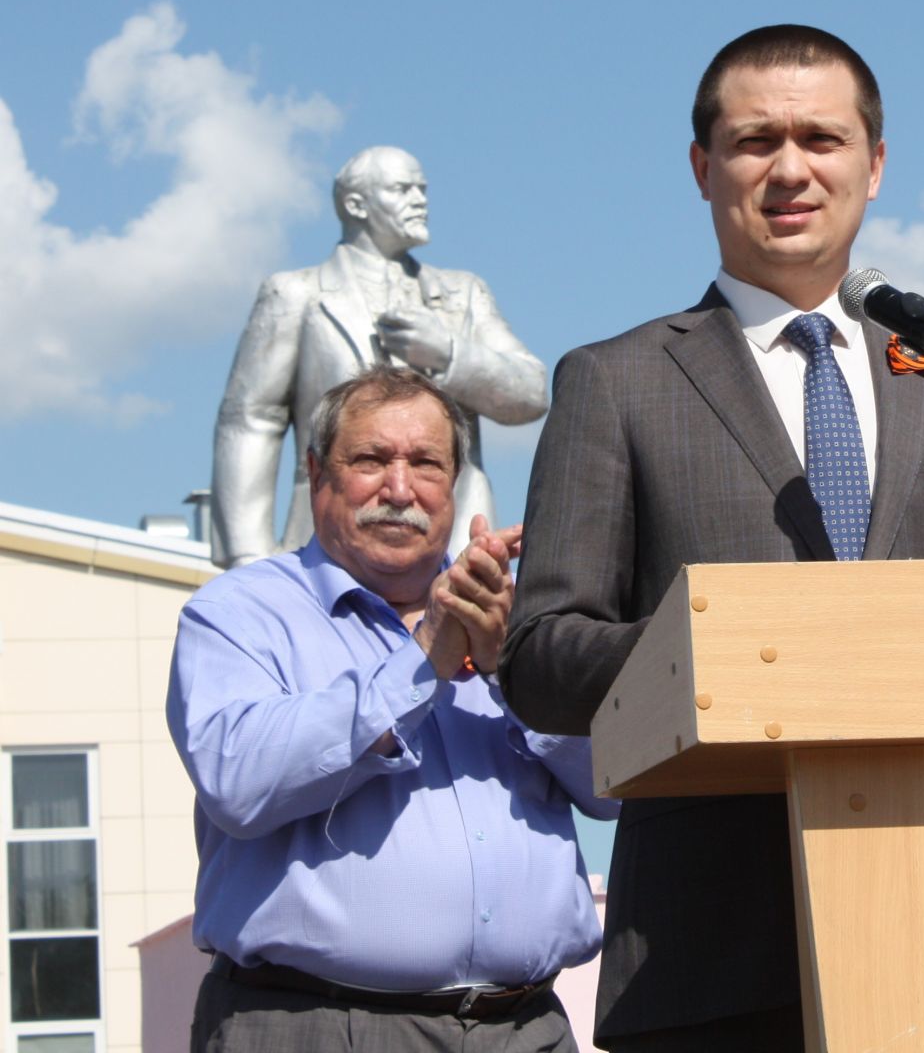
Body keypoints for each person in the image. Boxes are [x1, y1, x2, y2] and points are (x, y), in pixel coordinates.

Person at [497, 24, 924, 1050]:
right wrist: (729, 644)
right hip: (714, 960)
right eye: (752, 141)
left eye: (822, 138)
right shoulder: (616, 381)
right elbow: (542, 655)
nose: (789, 168)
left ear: (875, 162)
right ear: (701, 168)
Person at [169, 366, 617, 1052]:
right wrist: (424, 660)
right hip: (317, 1024)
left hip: (527, 1026)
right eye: (371, 460)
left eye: (426, 463)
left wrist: (512, 670)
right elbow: (238, 781)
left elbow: (614, 786)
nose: (400, 489)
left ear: (456, 484)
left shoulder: (515, 616)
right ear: (318, 473)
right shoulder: (239, 614)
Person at [211, 145, 547, 568]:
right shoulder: (297, 294)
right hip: (329, 537)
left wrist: (448, 355)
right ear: (356, 204)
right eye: (402, 189)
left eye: (422, 189)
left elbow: (532, 393)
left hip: (453, 535)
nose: (420, 200)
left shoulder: (463, 294)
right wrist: (247, 554)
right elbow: (251, 419)